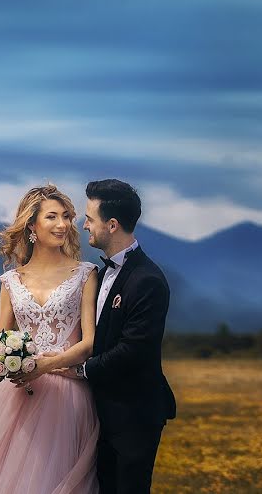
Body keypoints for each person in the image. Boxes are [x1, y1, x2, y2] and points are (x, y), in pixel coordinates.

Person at [0, 185, 100, 494]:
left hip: (69, 397)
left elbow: (89, 344)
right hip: (18, 398)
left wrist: (44, 366)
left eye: (67, 217)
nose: (63, 224)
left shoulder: (86, 273)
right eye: (52, 217)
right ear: (32, 225)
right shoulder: (11, 281)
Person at [76, 179, 176, 494]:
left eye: (90, 218)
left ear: (113, 224)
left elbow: (134, 349)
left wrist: (82, 370)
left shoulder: (147, 280)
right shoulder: (101, 273)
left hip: (134, 414)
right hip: (102, 413)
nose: (84, 224)